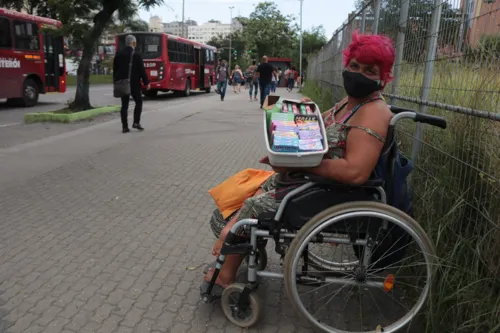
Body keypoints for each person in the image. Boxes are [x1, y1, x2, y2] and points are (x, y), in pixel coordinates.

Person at [200, 31, 396, 294]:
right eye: (354, 66)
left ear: (383, 77)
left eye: (369, 70)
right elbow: (317, 123)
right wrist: (301, 112)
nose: (358, 73)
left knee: (252, 206)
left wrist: (297, 164)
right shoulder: (349, 104)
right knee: (251, 185)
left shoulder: (373, 112)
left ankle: (226, 273)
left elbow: (355, 172)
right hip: (313, 181)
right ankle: (240, 242)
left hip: (332, 191)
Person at [113, 34, 150, 133]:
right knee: (138, 101)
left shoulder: (119, 53)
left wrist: (116, 81)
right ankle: (136, 122)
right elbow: (142, 70)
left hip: (122, 82)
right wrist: (147, 82)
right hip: (134, 83)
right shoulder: (136, 55)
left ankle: (124, 127)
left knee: (124, 105)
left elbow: (115, 69)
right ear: (133, 43)